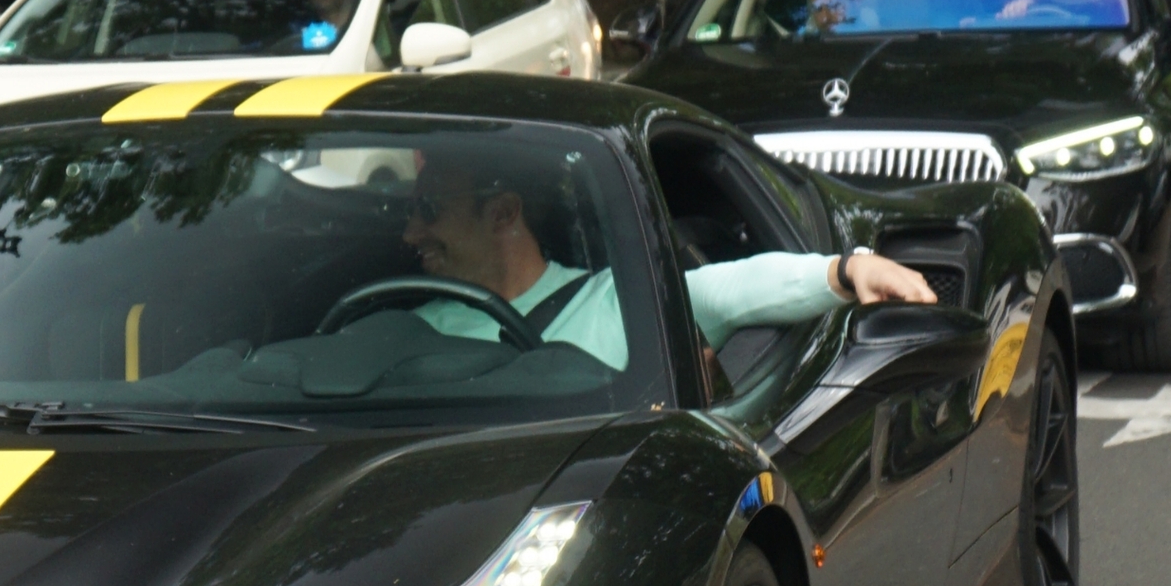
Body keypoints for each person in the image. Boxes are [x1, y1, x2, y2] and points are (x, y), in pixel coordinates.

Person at [398, 148, 933, 375]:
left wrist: (851, 269)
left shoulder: (619, 303)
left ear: (502, 213)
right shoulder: (409, 331)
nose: (410, 234)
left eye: (429, 211)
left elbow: (738, 287)